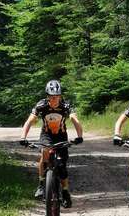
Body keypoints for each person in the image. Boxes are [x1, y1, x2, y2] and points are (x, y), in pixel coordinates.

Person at [19, 79, 83, 208]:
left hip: (61, 135)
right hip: (46, 135)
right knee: (45, 152)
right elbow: (30, 121)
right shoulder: (41, 105)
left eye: (57, 97)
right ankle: (42, 184)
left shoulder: (66, 105)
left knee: (62, 166)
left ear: (60, 96)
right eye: (52, 97)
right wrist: (23, 137)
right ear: (47, 96)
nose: (54, 99)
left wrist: (79, 136)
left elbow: (74, 119)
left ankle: (65, 192)